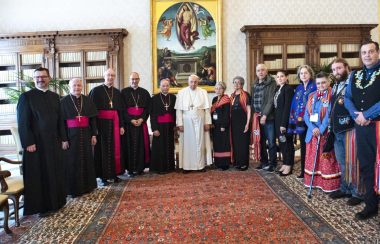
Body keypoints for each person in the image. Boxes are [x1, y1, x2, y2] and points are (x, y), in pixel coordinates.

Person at [17, 67, 67, 216]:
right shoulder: (26, 97)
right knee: (40, 175)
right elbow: (23, 122)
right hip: (36, 144)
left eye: (43, 77)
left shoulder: (55, 97)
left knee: (54, 172)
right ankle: (42, 207)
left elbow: (60, 121)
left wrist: (64, 138)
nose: (40, 79)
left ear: (49, 78)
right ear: (34, 79)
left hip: (54, 142)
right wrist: (28, 143)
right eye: (37, 77)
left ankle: (56, 202)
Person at [345, 41, 380, 220]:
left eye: (371, 51)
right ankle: (371, 204)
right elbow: (347, 97)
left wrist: (367, 115)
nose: (367, 55)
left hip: (378, 126)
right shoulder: (354, 75)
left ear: (378, 53)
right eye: (364, 52)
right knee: (366, 165)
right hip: (362, 127)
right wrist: (356, 115)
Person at [328, 58, 363, 206]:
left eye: (339, 68)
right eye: (334, 69)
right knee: (342, 162)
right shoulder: (335, 85)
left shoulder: (353, 83)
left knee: (353, 162)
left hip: (350, 129)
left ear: (347, 68)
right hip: (337, 130)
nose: (336, 72)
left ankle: (357, 192)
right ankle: (346, 188)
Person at [303, 72, 340, 192]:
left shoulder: (332, 95)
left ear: (329, 82)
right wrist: (313, 128)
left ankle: (328, 185)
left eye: (323, 82)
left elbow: (329, 115)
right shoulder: (312, 96)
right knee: (313, 158)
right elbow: (306, 115)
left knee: (326, 160)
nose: (321, 85)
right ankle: (314, 182)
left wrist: (321, 129)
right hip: (312, 132)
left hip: (325, 133)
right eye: (318, 83)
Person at [61, 78, 98, 197]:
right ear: (69, 87)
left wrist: (93, 134)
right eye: (74, 86)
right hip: (71, 136)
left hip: (86, 134)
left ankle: (88, 186)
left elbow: (92, 119)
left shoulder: (87, 100)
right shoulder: (63, 101)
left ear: (82, 86)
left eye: (79, 85)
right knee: (72, 161)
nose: (77, 88)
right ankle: (73, 189)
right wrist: (64, 139)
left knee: (87, 159)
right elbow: (61, 123)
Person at [89, 68, 125, 185]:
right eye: (108, 75)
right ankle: (103, 177)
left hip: (114, 124)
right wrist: (94, 129)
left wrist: (121, 126)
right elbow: (92, 112)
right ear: (104, 76)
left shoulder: (117, 92)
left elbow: (121, 111)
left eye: (112, 75)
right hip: (101, 125)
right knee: (102, 150)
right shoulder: (96, 91)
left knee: (115, 149)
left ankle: (114, 174)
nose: (110, 77)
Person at [175, 74, 212, 171]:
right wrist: (180, 124)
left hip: (200, 119)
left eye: (195, 82)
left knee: (200, 142)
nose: (193, 84)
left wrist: (208, 122)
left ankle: (200, 166)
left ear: (198, 82)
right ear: (188, 82)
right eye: (191, 82)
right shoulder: (181, 92)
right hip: (186, 121)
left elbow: (207, 109)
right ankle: (187, 167)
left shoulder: (203, 92)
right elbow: (178, 110)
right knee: (187, 144)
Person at [288, 65, 317, 178]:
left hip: (312, 122)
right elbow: (294, 105)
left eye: (305, 73)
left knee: (311, 147)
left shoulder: (315, 86)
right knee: (304, 147)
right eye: (301, 73)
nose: (303, 75)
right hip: (300, 123)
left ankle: (312, 171)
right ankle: (304, 171)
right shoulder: (299, 88)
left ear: (310, 74)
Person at [121, 72, 151, 176]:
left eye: (136, 79)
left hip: (141, 124)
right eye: (132, 79)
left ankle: (140, 168)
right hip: (129, 125)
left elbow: (148, 108)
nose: (134, 81)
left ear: (139, 79)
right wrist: (131, 120)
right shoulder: (123, 92)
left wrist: (142, 119)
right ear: (130, 80)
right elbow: (122, 109)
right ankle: (129, 169)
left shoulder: (145, 92)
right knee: (128, 146)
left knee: (141, 145)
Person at [251, 64, 277, 172]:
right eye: (258, 70)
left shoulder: (272, 83)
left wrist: (265, 115)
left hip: (268, 117)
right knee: (260, 141)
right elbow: (253, 100)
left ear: (266, 71)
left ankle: (273, 163)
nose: (260, 72)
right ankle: (264, 162)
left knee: (271, 141)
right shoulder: (254, 84)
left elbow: (270, 100)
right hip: (257, 117)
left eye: (262, 70)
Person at [150, 79, 177, 173]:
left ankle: (170, 167)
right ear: (160, 86)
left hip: (170, 126)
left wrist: (174, 125)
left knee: (169, 146)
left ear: (169, 86)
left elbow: (175, 113)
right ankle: (159, 168)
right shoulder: (154, 98)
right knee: (160, 147)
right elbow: (152, 115)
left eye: (167, 85)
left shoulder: (173, 98)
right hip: (159, 127)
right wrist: (154, 129)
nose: (165, 87)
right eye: (163, 86)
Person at [273, 70, 295, 176]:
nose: (280, 78)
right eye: (278, 77)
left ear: (286, 77)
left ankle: (289, 165)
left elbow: (287, 107)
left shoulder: (288, 89)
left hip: (284, 121)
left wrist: (283, 123)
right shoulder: (278, 89)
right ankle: (285, 163)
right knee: (282, 143)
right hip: (277, 120)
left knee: (287, 143)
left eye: (282, 76)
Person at [230, 76, 251, 170]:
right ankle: (237, 162)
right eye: (234, 82)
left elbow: (249, 110)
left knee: (243, 143)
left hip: (243, 122)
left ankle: (244, 163)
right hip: (234, 123)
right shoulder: (232, 96)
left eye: (238, 82)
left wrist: (247, 123)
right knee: (236, 143)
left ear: (242, 84)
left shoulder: (246, 94)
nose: (236, 84)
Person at [210, 81, 231, 170]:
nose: (218, 90)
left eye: (220, 88)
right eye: (216, 88)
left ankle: (225, 164)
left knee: (223, 144)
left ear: (224, 89)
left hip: (223, 126)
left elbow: (226, 114)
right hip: (215, 126)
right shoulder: (214, 99)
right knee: (217, 144)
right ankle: (218, 162)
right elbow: (212, 112)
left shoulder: (226, 99)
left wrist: (223, 125)